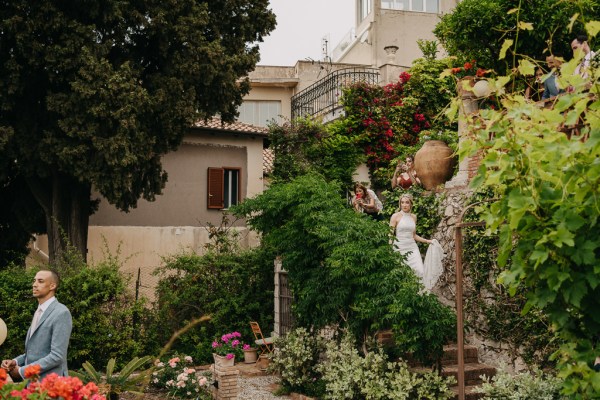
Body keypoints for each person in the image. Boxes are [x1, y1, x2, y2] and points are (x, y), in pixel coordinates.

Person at [1, 270, 72, 380]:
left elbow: (57, 356)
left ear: (52, 285)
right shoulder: (39, 312)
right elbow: (35, 352)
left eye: (40, 281)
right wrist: (15, 362)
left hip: (52, 385)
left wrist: (22, 371)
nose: (34, 284)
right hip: (34, 383)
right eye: (34, 281)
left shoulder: (61, 312)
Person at [389, 193, 433, 279]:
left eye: (407, 202)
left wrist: (427, 241)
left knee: (420, 271)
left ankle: (420, 292)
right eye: (402, 202)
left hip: (412, 248)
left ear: (411, 204)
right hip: (399, 248)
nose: (404, 205)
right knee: (403, 275)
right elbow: (390, 234)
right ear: (400, 204)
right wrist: (390, 248)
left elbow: (414, 235)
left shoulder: (414, 217)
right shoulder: (395, 216)